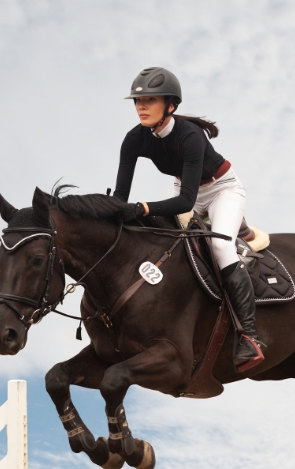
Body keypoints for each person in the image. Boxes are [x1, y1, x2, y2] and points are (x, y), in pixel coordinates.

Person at [113, 67, 265, 371]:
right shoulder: (133, 139)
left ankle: (249, 336)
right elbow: (120, 197)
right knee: (169, 243)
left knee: (221, 248)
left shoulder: (190, 136)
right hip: (186, 188)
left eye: (150, 100)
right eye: (137, 102)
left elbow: (182, 203)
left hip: (222, 189)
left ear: (170, 105)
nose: (141, 107)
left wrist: (142, 208)